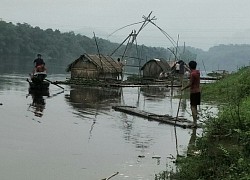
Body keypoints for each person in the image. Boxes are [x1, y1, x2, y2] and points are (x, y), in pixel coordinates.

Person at [181, 61, 200, 127]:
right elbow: (192, 71)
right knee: (195, 107)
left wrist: (183, 88)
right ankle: (195, 121)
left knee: (192, 107)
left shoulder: (192, 74)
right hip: (198, 92)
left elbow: (190, 84)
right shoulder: (197, 72)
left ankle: (194, 123)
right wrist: (186, 67)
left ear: (190, 66)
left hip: (193, 92)